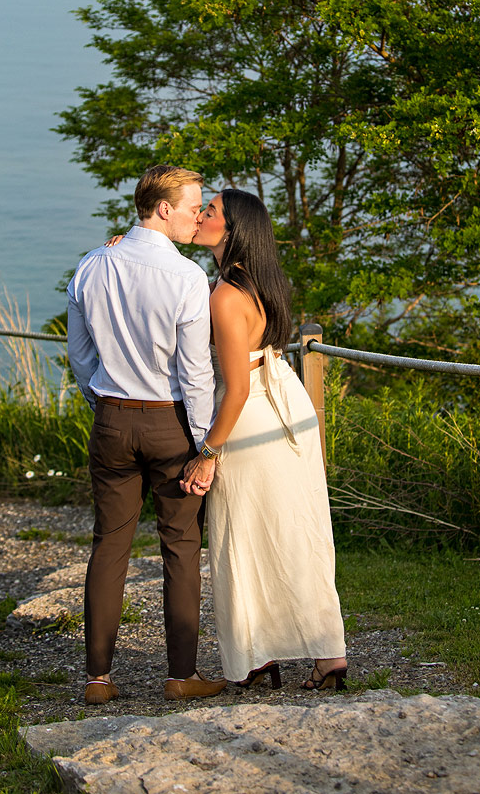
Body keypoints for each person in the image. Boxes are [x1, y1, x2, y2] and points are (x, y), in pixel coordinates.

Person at [66, 164, 227, 705]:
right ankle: (181, 676)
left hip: (111, 419)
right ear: (164, 209)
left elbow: (80, 353)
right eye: (192, 207)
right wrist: (205, 445)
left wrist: (102, 402)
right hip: (170, 423)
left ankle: (98, 680)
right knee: (181, 546)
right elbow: (196, 372)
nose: (197, 216)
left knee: (109, 545)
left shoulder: (91, 265)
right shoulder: (185, 278)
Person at [181, 188, 347, 691]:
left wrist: (207, 453)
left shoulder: (226, 296)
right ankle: (327, 654)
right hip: (285, 401)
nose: (201, 215)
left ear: (231, 231)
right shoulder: (260, 283)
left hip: (250, 413)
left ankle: (256, 656)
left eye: (210, 211)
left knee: (243, 535)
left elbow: (235, 390)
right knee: (297, 528)